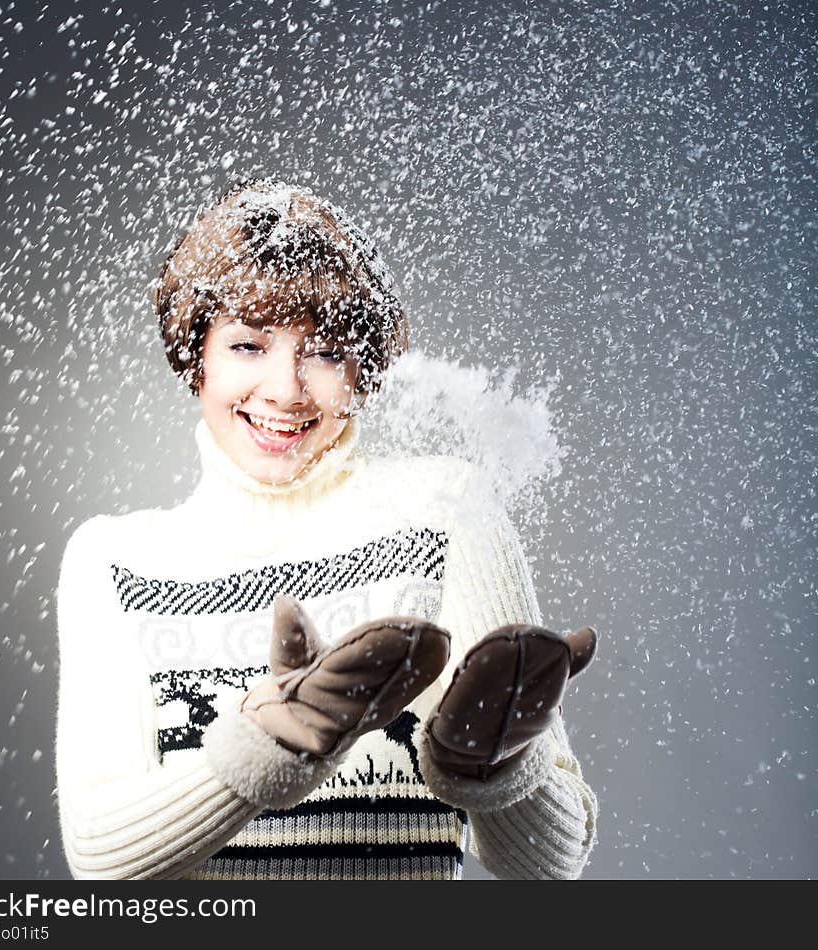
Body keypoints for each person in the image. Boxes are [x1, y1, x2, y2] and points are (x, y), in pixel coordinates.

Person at [54, 177, 599, 881]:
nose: (284, 389)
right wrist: (269, 749)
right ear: (197, 357)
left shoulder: (444, 511)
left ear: (363, 371)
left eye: (325, 351)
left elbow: (551, 865)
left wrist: (490, 760)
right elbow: (101, 859)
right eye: (249, 345)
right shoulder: (114, 561)